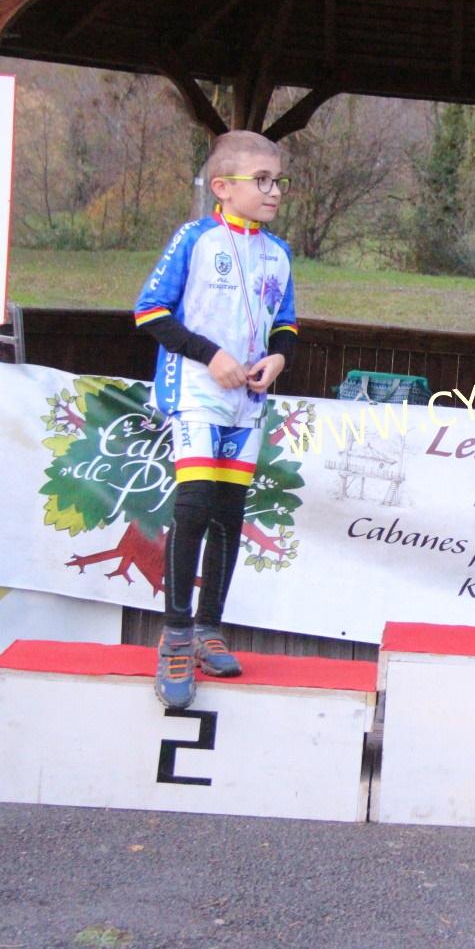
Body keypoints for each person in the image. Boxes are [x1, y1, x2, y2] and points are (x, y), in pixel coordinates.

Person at [134, 130, 297, 709]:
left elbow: (286, 323)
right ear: (222, 187)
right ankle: (176, 635)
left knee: (229, 512)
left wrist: (278, 358)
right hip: (196, 392)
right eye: (261, 180)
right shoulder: (195, 238)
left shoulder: (279, 252)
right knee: (196, 503)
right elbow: (149, 312)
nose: (273, 191)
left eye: (278, 181)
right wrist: (211, 356)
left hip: (247, 401)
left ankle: (208, 629)